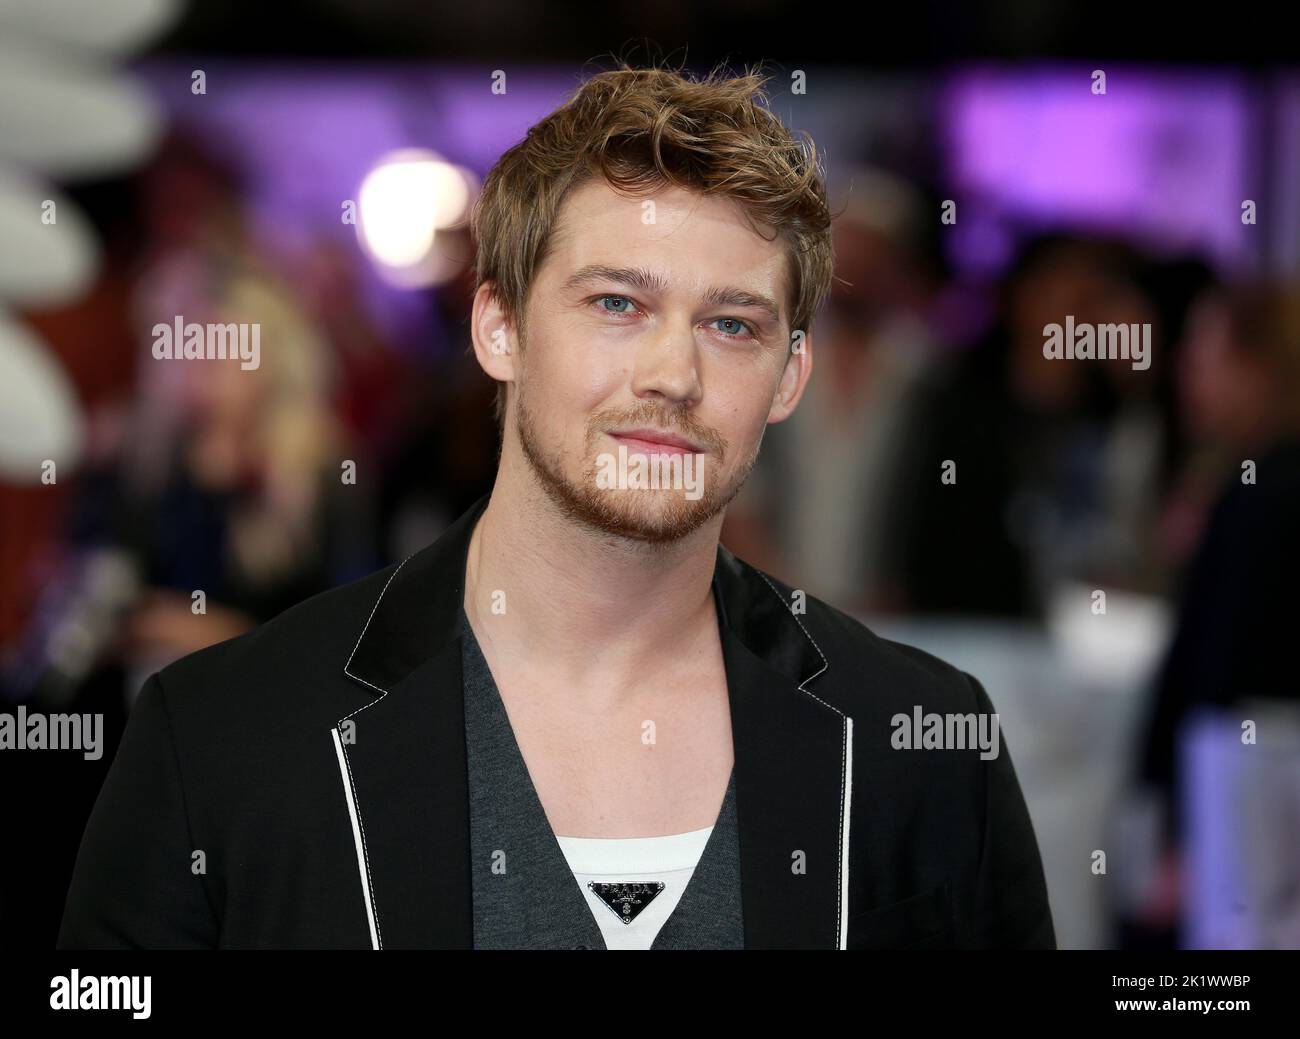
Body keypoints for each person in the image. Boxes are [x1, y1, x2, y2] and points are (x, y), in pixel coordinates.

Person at [57, 62, 1055, 950]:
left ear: (789, 377)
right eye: (616, 303)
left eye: (732, 323)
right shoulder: (224, 737)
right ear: (498, 327)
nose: (673, 372)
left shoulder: (921, 741)